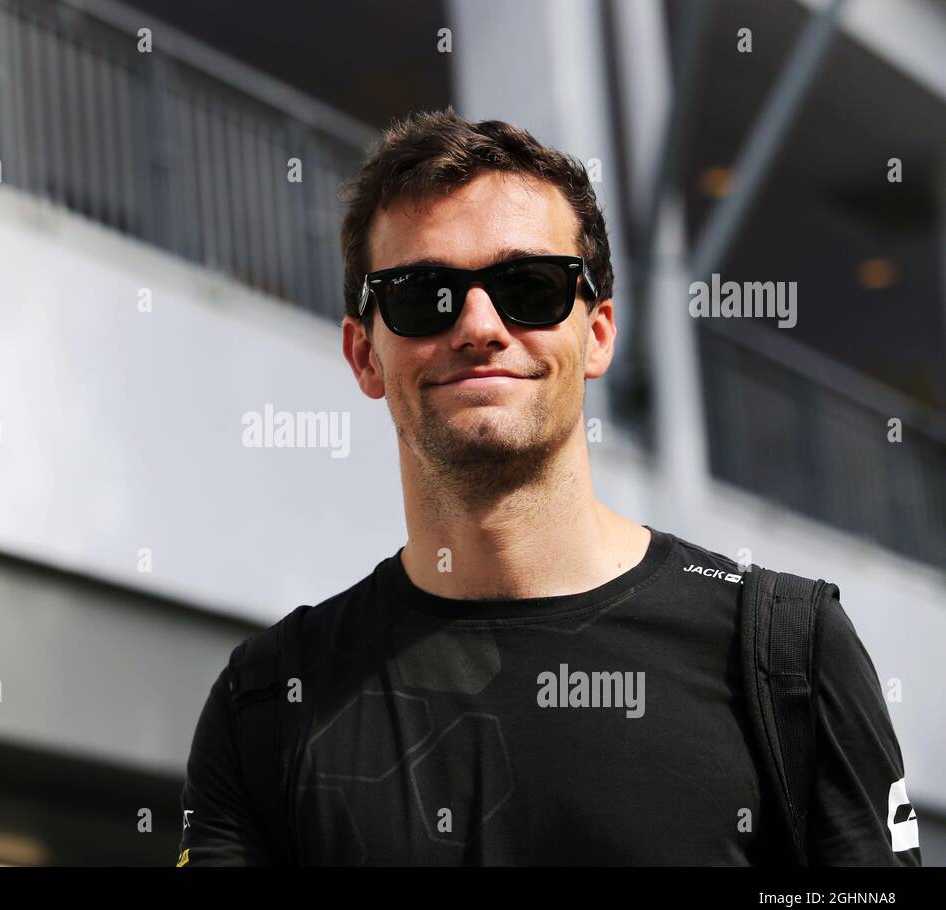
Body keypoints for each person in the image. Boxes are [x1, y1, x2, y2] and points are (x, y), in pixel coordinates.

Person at [176, 107, 920, 866]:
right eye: (422, 294)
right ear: (364, 354)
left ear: (596, 334)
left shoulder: (785, 653)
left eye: (528, 286)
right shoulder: (270, 699)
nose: (479, 324)